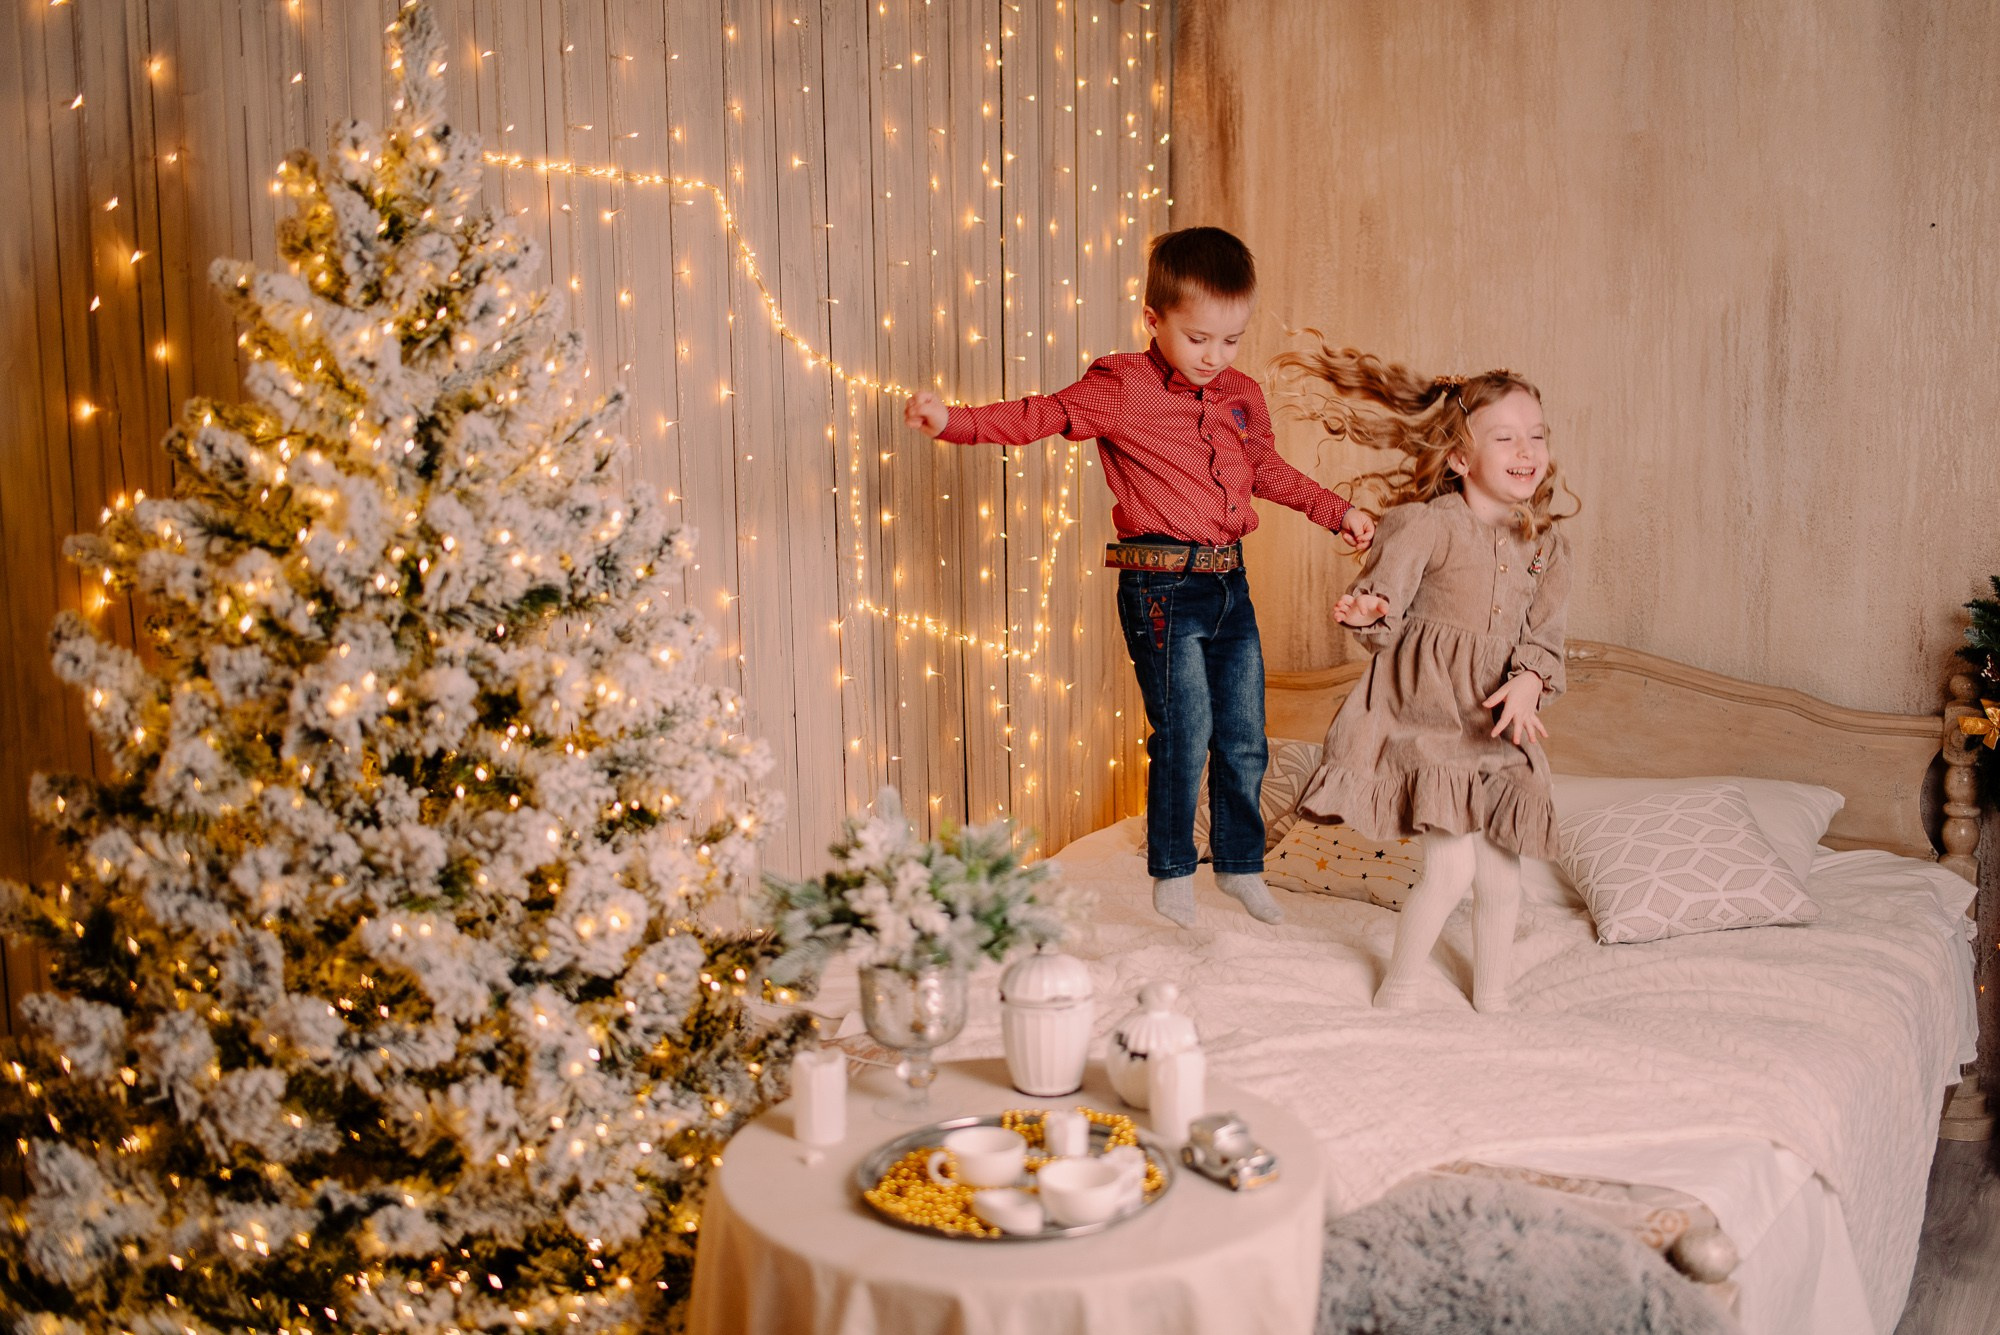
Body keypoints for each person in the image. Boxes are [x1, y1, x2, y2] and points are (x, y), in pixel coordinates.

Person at [904, 227, 1375, 927]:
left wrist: (1336, 510)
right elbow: (1043, 414)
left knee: (1245, 735)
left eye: (1231, 339)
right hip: (1161, 590)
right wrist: (953, 422)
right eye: (1198, 338)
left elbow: (1265, 471)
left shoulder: (1242, 394)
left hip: (1228, 586)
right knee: (1185, 730)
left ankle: (1242, 866)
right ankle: (1174, 870)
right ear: (1153, 319)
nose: (1215, 356)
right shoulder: (1119, 384)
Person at [1277, 344, 1574, 1010]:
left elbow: (1547, 639)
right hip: (1434, 717)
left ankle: (1493, 996)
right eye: (1505, 437)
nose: (1526, 450)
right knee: (1452, 866)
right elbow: (1386, 603)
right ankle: (1403, 982)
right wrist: (1369, 607)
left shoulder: (1548, 547)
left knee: (1504, 874)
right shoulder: (1427, 526)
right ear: (1462, 458)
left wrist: (1529, 680)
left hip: (1503, 730)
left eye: (1536, 436)